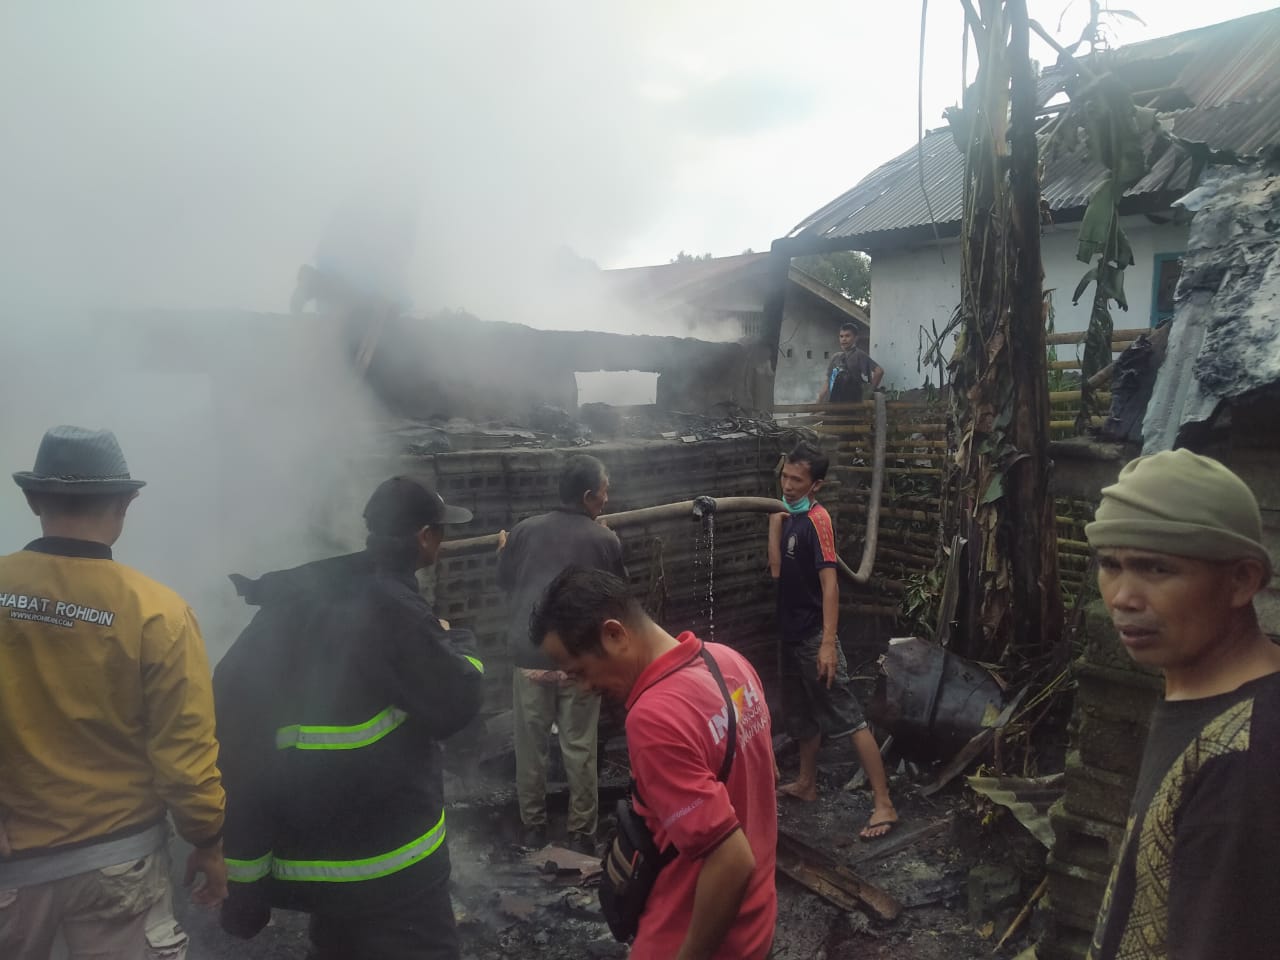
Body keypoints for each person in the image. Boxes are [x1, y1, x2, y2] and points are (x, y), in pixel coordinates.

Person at [214, 476, 484, 960]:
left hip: (315, 865)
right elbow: (454, 702)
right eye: (440, 532)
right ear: (425, 537)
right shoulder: (393, 606)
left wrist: (246, 884)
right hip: (392, 873)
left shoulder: (298, 599)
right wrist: (460, 642)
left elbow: (234, 715)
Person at [0, 425, 226, 960]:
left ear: (33, 499)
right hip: (119, 864)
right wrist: (208, 840)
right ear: (127, 501)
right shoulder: (159, 613)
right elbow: (184, 755)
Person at [1086, 449, 1280, 960]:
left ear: (1242, 580)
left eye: (1156, 568)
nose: (1123, 597)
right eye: (1110, 565)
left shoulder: (1243, 766)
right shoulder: (1198, 688)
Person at [532, 567, 777, 960]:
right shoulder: (730, 662)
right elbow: (764, 778)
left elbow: (732, 859)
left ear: (614, 634)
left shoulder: (653, 717)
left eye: (579, 672)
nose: (584, 687)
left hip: (690, 938)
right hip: (755, 926)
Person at [496, 454, 625, 853]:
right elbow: (617, 596)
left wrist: (503, 551)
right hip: (578, 662)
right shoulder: (604, 539)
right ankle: (581, 833)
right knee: (580, 748)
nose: (607, 498)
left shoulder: (522, 531)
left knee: (529, 748)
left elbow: (506, 582)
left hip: (531, 658)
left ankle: (532, 827)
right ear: (588, 496)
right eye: (604, 492)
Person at [769, 441, 897, 840]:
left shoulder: (818, 520)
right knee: (801, 715)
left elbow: (831, 586)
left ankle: (884, 804)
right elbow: (777, 572)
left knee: (847, 717)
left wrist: (827, 643)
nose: (788, 485)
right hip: (790, 636)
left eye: (797, 480)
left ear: (816, 485)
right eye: (786, 476)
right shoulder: (789, 516)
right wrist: (773, 526)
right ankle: (807, 783)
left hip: (813, 638)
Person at [818, 322, 883, 403]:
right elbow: (828, 382)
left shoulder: (859, 355)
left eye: (847, 336)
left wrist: (868, 393)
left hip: (851, 400)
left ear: (855, 338)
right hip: (834, 400)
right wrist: (819, 400)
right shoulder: (836, 357)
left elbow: (879, 371)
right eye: (841, 336)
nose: (844, 339)